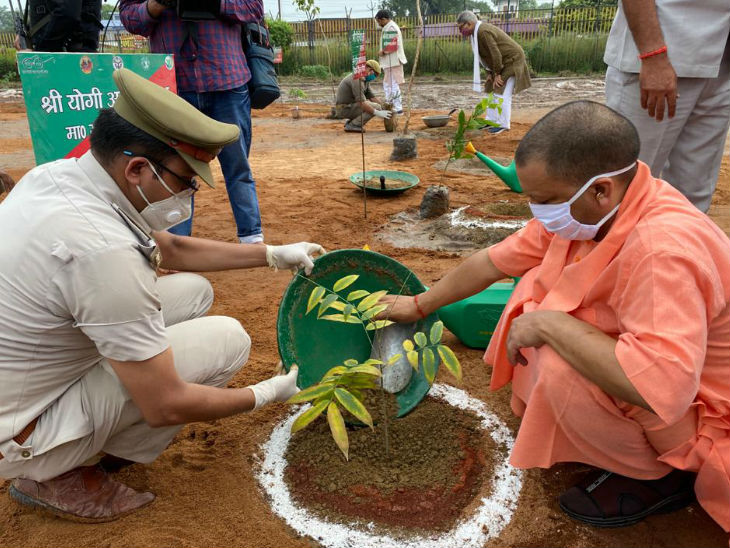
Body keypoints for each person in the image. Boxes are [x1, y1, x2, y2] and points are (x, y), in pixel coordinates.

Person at [381, 101, 730, 533]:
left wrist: (551, 325)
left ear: (601, 189)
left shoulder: (662, 250)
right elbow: (492, 262)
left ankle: (663, 473)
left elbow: (665, 388)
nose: (537, 212)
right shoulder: (596, 208)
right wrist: (419, 304)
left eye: (543, 200)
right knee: (531, 291)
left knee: (554, 352)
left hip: (696, 407)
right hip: (659, 364)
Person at [0, 68, 324, 522]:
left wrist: (271, 254)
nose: (190, 193)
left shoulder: (61, 177)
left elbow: (167, 246)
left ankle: (78, 440)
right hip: (23, 429)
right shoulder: (102, 252)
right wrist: (266, 392)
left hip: (26, 372)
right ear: (137, 168)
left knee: (192, 291)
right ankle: (59, 471)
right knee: (229, 340)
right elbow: (166, 403)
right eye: (186, 180)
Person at [120, 0, 265, 243]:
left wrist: (217, 3)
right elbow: (129, 18)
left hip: (227, 79)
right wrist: (156, 5)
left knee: (237, 166)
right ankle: (178, 244)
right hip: (173, 85)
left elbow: (254, 9)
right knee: (174, 169)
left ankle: (252, 239)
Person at [603, 0, 730, 213]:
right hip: (661, 53)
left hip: (721, 61)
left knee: (694, 194)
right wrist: (652, 55)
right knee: (626, 186)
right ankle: (615, 247)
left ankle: (682, 246)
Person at [456, 10, 531, 135]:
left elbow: (495, 53)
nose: (460, 31)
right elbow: (484, 56)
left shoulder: (482, 31)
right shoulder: (475, 34)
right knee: (491, 90)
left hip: (512, 60)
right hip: (502, 62)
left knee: (501, 92)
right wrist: (489, 73)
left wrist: (497, 74)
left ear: (469, 23)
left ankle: (503, 124)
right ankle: (491, 120)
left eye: (461, 27)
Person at [17, 0, 102, 52]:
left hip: (65, 54)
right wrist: (26, 32)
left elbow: (68, 13)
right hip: (76, 53)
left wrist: (41, 51)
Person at [334, 59, 392, 133]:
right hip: (344, 108)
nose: (374, 77)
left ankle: (352, 122)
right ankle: (354, 125)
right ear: (370, 70)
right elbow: (361, 103)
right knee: (375, 107)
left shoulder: (365, 81)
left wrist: (385, 107)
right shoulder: (357, 79)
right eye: (375, 75)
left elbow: (372, 98)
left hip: (350, 106)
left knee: (377, 106)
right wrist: (377, 112)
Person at [375, 9, 407, 115]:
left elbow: (393, 45)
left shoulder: (391, 27)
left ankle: (397, 108)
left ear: (383, 19)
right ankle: (391, 106)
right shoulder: (389, 26)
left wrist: (382, 52)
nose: (378, 24)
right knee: (389, 84)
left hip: (393, 61)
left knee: (392, 85)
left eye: (379, 21)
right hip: (390, 61)